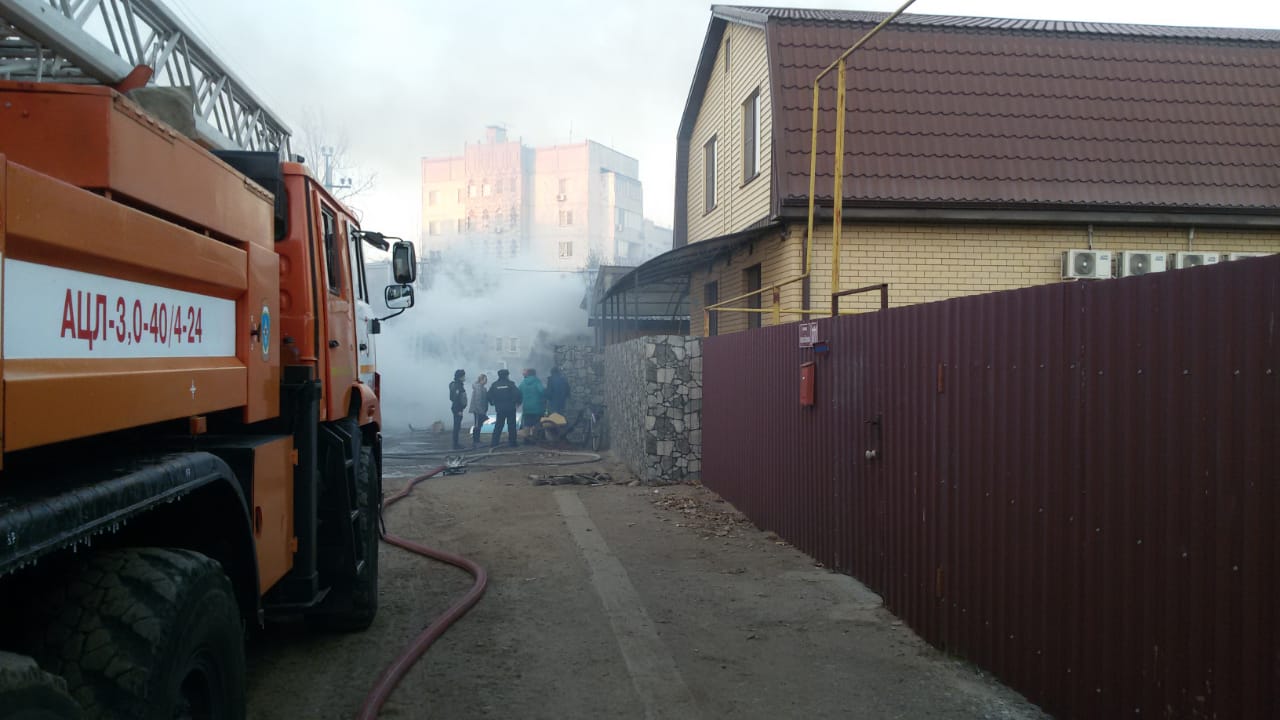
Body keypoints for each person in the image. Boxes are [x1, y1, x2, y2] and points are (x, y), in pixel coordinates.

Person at [487, 368, 522, 447]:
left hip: (500, 409)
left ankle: (494, 442)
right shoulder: (510, 384)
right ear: (507, 375)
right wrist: (517, 402)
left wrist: (492, 403)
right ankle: (512, 443)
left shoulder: (494, 385)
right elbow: (518, 394)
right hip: (510, 408)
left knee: (498, 425)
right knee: (512, 426)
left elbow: (488, 395)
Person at [518, 368, 546, 440]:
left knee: (527, 424)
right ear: (535, 374)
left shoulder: (523, 382)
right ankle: (535, 438)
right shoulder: (537, 381)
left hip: (527, 408)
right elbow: (542, 391)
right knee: (536, 424)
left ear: (527, 374)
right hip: (537, 408)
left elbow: (518, 393)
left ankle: (526, 439)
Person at [468, 373, 489, 448]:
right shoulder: (478, 388)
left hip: (481, 410)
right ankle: (475, 441)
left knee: (479, 425)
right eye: (485, 380)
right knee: (477, 425)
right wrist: (481, 411)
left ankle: (478, 440)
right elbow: (477, 400)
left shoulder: (482, 388)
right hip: (478, 411)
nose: (486, 381)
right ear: (481, 380)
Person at [448, 369, 467, 450]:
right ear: (460, 377)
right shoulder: (457, 386)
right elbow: (456, 399)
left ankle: (456, 443)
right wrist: (458, 410)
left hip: (457, 408)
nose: (465, 377)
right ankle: (455, 445)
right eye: (463, 376)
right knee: (456, 427)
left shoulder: (455, 385)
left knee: (457, 426)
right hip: (457, 409)